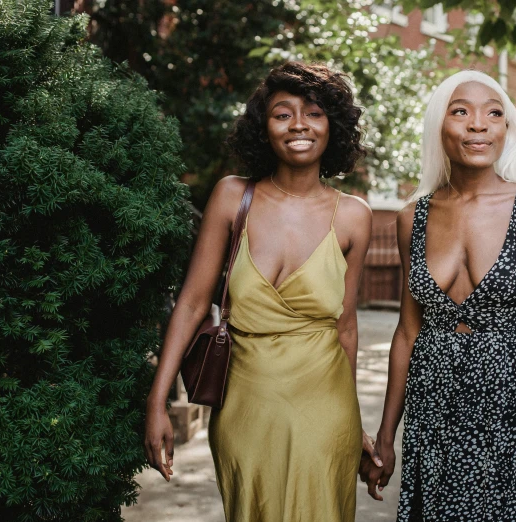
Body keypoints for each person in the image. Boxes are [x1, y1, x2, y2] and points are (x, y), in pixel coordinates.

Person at [360, 70, 516, 520]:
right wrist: (386, 438)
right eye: (461, 112)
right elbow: (407, 334)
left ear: (507, 129)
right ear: (440, 126)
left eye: (494, 113)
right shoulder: (411, 217)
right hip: (432, 411)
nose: (478, 124)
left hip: (508, 408)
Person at [144, 62, 380, 522]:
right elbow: (192, 303)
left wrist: (355, 427)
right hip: (244, 405)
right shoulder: (232, 196)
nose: (298, 125)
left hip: (326, 407)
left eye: (313, 113)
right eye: (282, 113)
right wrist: (157, 402)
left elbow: (346, 328)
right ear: (263, 127)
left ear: (333, 125)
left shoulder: (354, 215)